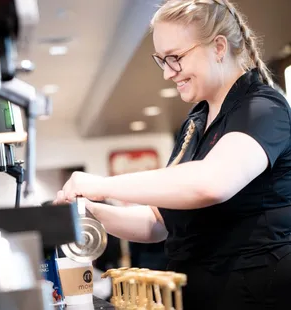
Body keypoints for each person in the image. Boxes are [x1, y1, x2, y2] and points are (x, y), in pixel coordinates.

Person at [54, 0, 291, 308]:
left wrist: (101, 184)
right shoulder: (196, 122)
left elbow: (211, 184)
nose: (168, 74)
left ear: (219, 47)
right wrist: (94, 211)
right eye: (162, 61)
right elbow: (158, 222)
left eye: (175, 58)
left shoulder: (263, 108)